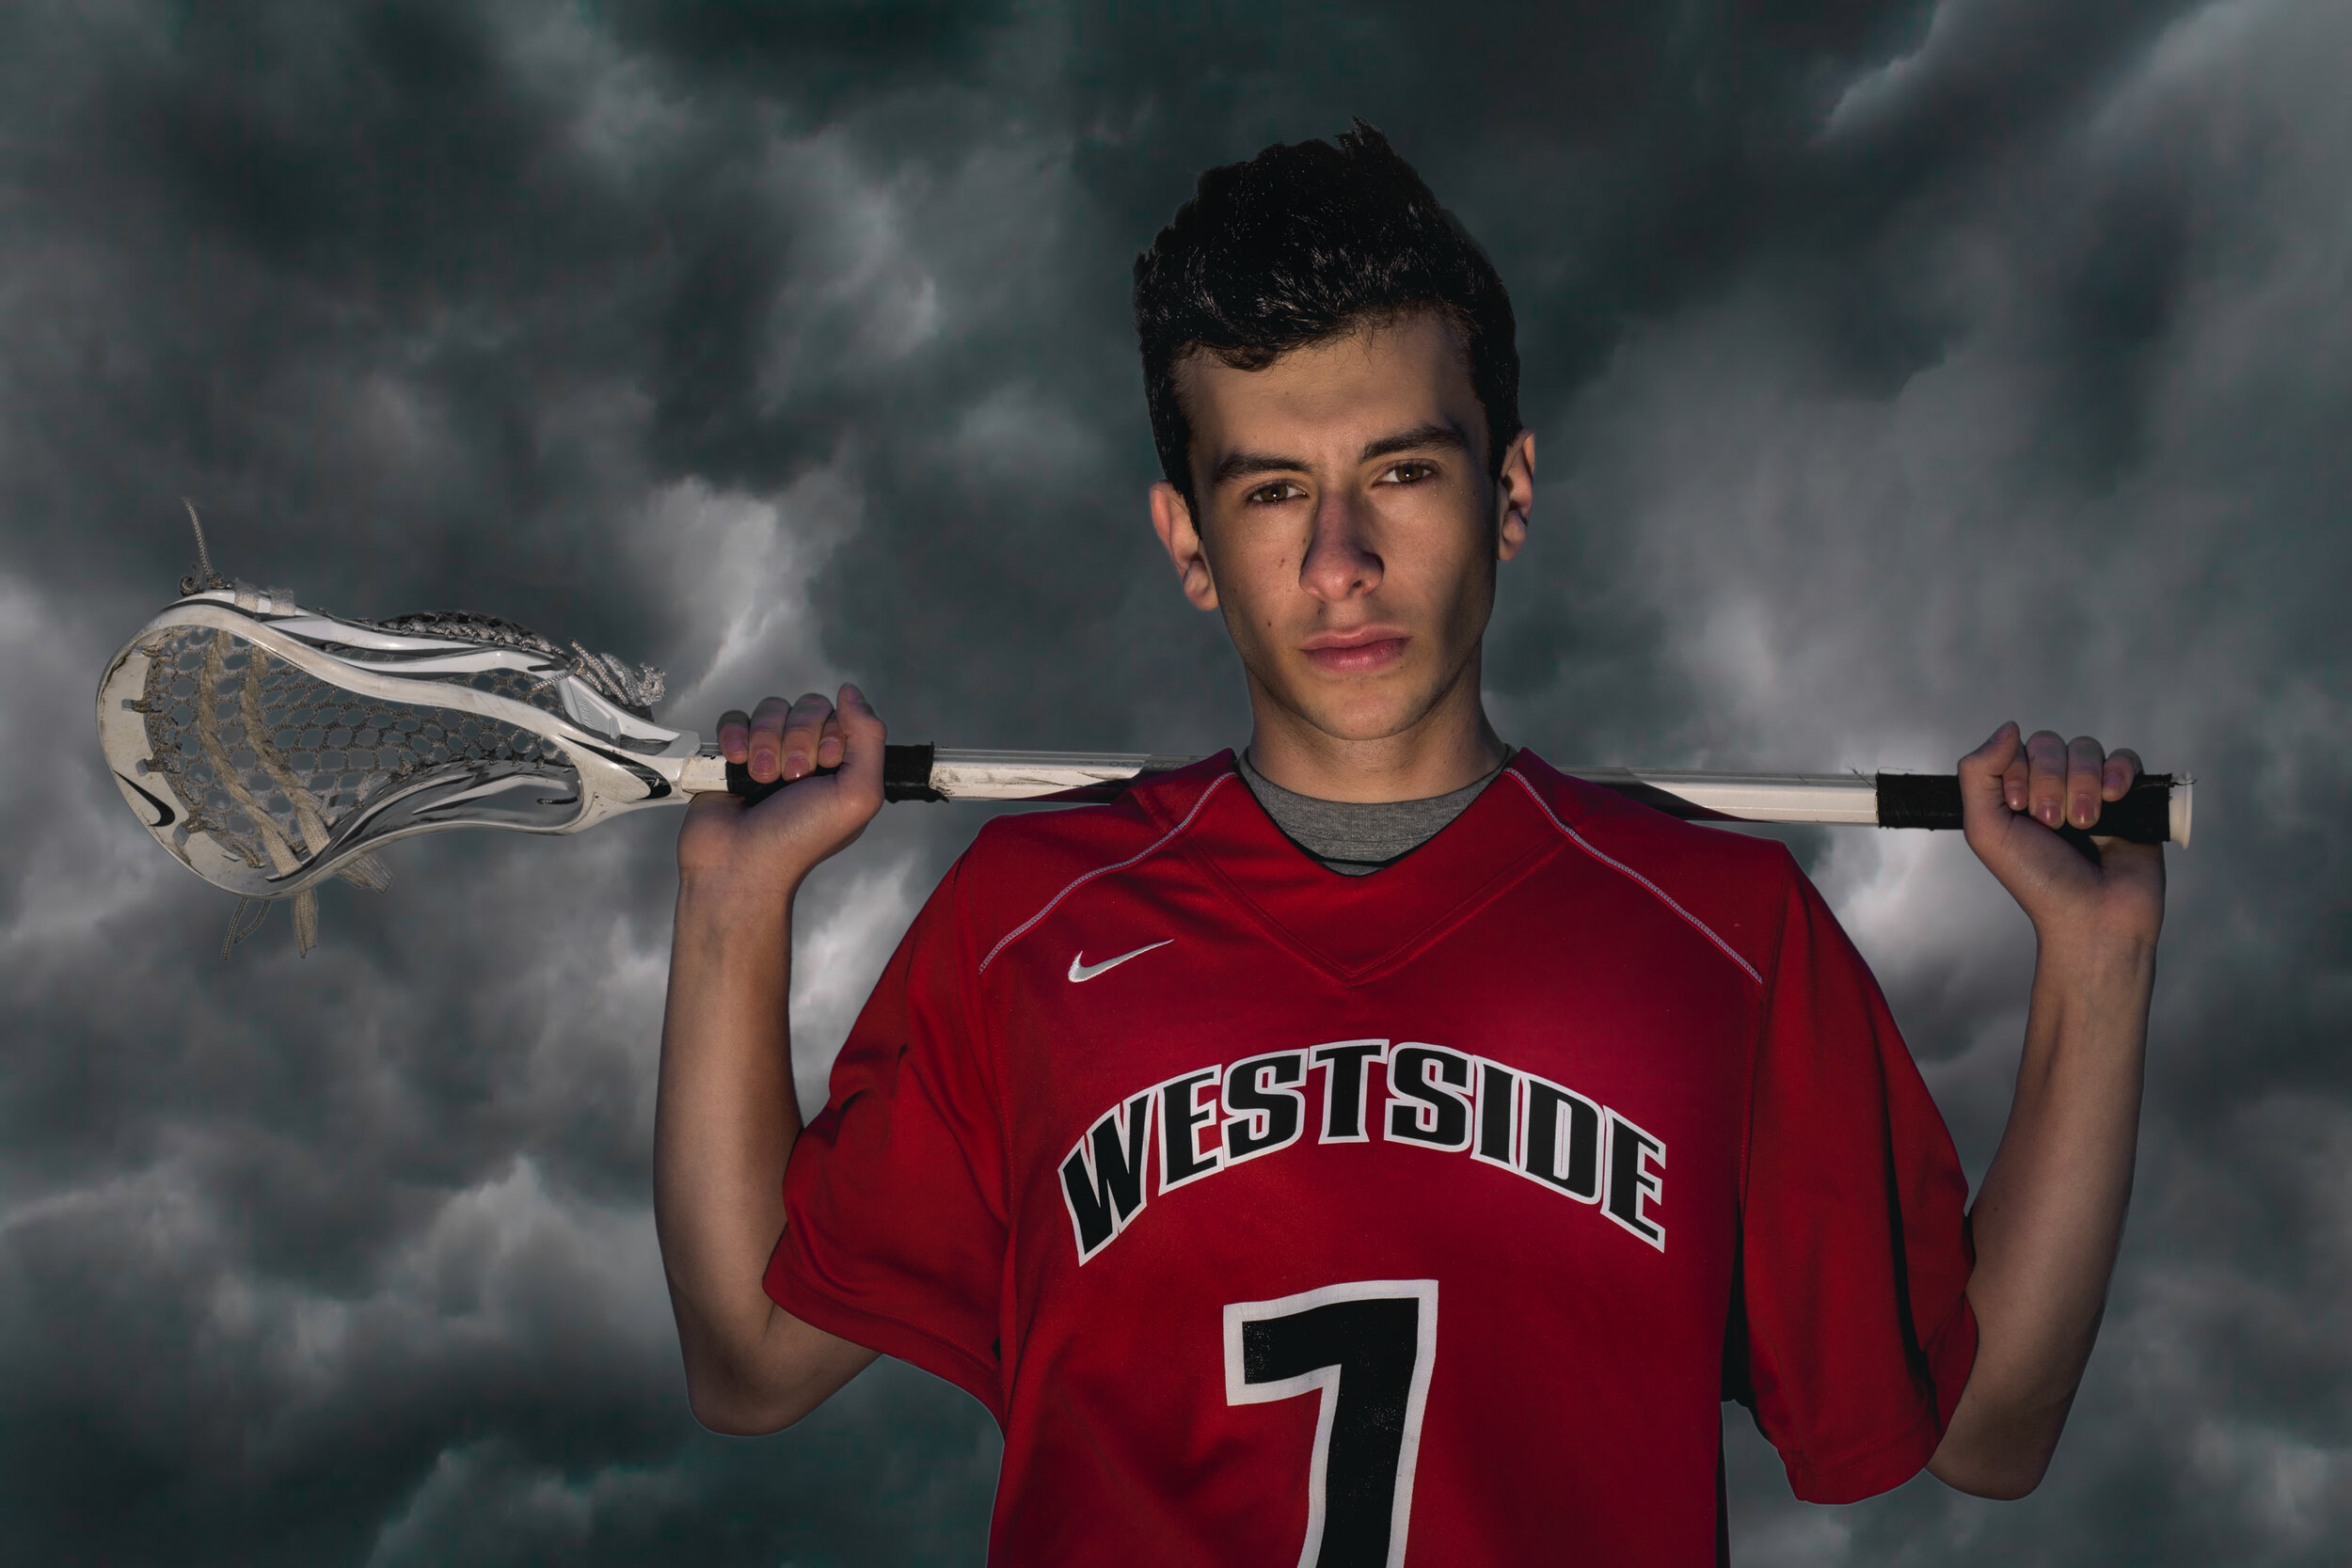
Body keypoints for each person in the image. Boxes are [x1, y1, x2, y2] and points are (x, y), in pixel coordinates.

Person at [654, 124, 2166, 1566]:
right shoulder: (1025, 920)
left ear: (1507, 491)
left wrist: (2098, 967)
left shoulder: (1722, 927)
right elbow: (753, 1361)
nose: (1339, 562)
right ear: (1189, 544)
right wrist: (734, 902)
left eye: (1402, 471)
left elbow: (1982, 1428)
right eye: (1270, 494)